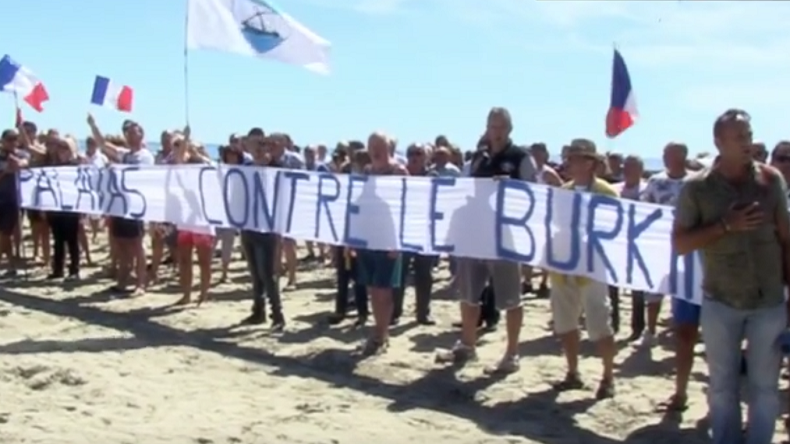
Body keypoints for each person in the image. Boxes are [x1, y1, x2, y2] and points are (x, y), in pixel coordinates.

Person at [673, 109, 788, 444]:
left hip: (768, 302)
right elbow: (680, 244)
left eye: (749, 135)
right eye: (739, 137)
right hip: (720, 301)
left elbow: (786, 239)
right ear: (718, 142)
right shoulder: (698, 189)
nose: (747, 143)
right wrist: (725, 225)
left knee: (765, 387)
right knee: (722, 386)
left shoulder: (770, 181)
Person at [436, 107, 536, 374]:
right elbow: (464, 192)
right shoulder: (477, 160)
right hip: (475, 235)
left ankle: (512, 353)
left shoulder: (521, 158)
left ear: (510, 129)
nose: (497, 132)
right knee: (469, 294)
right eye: (493, 126)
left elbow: (533, 196)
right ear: (487, 128)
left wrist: (509, 190)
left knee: (511, 298)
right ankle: (467, 345)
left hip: (506, 238)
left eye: (501, 126)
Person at [549, 138, 618, 399]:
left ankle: (608, 375)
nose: (569, 162)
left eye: (576, 158)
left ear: (590, 163)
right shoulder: (563, 193)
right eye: (569, 157)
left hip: (593, 266)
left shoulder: (606, 194)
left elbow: (615, 231)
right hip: (564, 263)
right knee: (565, 320)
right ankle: (573, 371)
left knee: (599, 321)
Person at [353, 131, 408, 355]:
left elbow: (405, 208)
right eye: (371, 146)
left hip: (388, 238)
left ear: (389, 149)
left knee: (383, 290)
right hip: (368, 237)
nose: (375, 151)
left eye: (379, 146)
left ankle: (381, 334)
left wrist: (399, 242)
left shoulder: (398, 172)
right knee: (371, 288)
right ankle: (378, 331)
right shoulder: (367, 172)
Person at [88, 114, 154, 295]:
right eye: (128, 133)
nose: (130, 136)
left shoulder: (145, 156)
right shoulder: (125, 154)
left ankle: (141, 283)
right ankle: (122, 282)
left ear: (141, 135)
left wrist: (116, 169)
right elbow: (103, 144)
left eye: (134, 133)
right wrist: (93, 125)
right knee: (122, 245)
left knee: (138, 245)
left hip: (136, 207)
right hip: (120, 206)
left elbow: (136, 175)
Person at [239, 136, 285, 330]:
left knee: (267, 273)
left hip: (267, 228)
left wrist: (274, 153)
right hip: (248, 225)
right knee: (255, 273)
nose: (258, 150)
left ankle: (278, 314)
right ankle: (258, 311)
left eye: (261, 145)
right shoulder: (246, 168)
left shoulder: (274, 168)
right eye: (254, 146)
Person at [46, 136, 82, 281]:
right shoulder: (53, 166)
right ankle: (58, 269)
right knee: (58, 239)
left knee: (72, 239)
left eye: (65, 147)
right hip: (55, 206)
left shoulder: (76, 165)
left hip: (71, 206)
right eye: (60, 147)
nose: (61, 150)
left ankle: (74, 269)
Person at [0, 129, 29, 278]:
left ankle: (11, 263)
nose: (12, 142)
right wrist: (6, 171)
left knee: (6, 233)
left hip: (12, 200)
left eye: (15, 139)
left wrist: (19, 164)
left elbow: (27, 162)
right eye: (9, 139)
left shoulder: (20, 154)